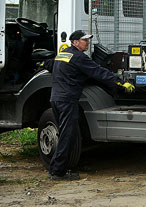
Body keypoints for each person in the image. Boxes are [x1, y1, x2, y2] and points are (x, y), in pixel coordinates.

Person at [46, 30, 135, 180]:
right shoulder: (79, 57)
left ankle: (56, 168)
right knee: (68, 135)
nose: (87, 43)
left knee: (64, 134)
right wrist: (120, 82)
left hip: (56, 99)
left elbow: (49, 65)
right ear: (75, 42)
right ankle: (57, 172)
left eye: (88, 40)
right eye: (84, 40)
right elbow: (98, 72)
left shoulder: (62, 55)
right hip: (67, 101)